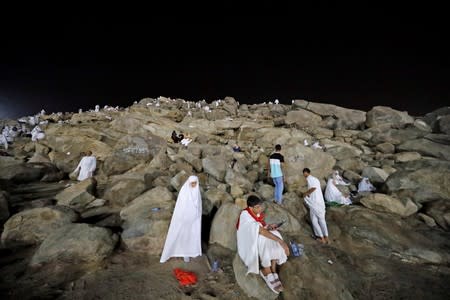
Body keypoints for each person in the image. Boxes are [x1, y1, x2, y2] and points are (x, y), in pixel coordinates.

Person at [236, 195, 289, 294]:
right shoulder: (245, 215)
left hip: (256, 234)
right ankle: (266, 270)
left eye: (260, 206)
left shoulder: (256, 213)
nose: (260, 209)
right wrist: (281, 242)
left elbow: (261, 226)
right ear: (251, 208)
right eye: (257, 207)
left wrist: (269, 226)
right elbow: (260, 231)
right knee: (264, 239)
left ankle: (273, 269)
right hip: (247, 241)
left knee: (275, 233)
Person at [160, 175, 202, 263]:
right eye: (192, 183)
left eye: (195, 183)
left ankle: (187, 253)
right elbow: (181, 205)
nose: (193, 185)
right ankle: (174, 252)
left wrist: (195, 216)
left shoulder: (197, 191)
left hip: (193, 220)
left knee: (190, 236)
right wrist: (183, 217)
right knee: (179, 235)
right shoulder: (184, 191)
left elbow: (199, 206)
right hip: (183, 218)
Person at [303, 168, 329, 244]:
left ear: (306, 173)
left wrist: (306, 193)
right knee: (321, 220)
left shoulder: (309, 179)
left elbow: (313, 188)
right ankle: (326, 237)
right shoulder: (316, 179)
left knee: (315, 221)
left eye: (305, 173)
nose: (305, 175)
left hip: (315, 203)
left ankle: (321, 238)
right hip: (320, 202)